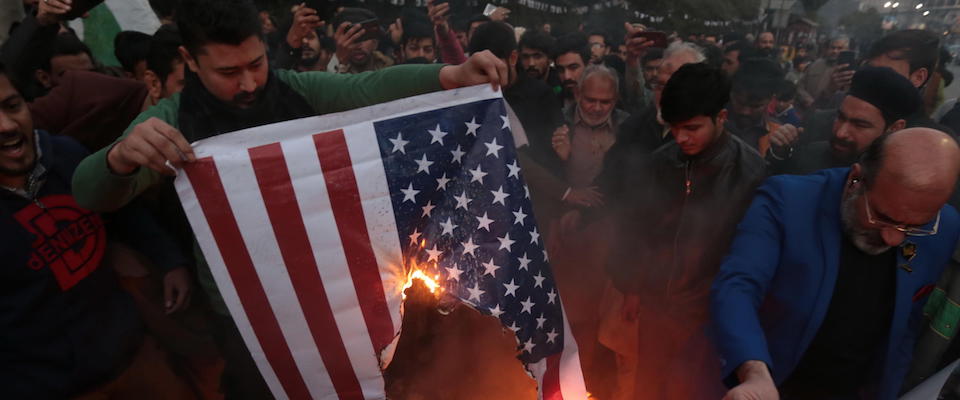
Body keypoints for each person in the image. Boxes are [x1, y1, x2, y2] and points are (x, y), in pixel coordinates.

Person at [70, 0, 507, 397]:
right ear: (189, 61)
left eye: (256, 63)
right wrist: (119, 157)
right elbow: (91, 195)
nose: (248, 83)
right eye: (227, 73)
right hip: (243, 312)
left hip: (331, 291)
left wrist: (450, 76)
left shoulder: (294, 90)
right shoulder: (172, 120)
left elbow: (367, 89)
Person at [713, 128, 960, 400]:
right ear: (856, 179)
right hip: (772, 381)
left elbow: (906, 327)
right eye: (882, 217)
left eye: (913, 227)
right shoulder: (789, 201)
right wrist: (754, 372)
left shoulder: (944, 229)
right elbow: (737, 287)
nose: (893, 238)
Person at [0, 60, 197, 398]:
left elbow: (125, 213)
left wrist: (169, 260)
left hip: (135, 358)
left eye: (11, 106)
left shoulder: (68, 154)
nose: (6, 125)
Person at [602, 62, 765, 399]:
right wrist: (632, 287)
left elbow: (746, 258)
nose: (681, 138)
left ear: (721, 117)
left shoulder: (749, 174)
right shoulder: (662, 162)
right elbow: (639, 229)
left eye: (692, 128)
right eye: (673, 128)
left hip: (709, 317)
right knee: (648, 386)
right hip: (657, 308)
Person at [598, 41, 706, 199]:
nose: (666, 95)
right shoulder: (634, 126)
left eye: (677, 87)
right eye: (660, 85)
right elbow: (608, 180)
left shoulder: (716, 139)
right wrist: (582, 212)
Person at [774, 67, 919, 175]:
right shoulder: (808, 158)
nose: (841, 133)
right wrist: (779, 155)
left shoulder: (902, 180)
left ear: (894, 128)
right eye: (840, 117)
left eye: (860, 125)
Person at [725, 58, 794, 158]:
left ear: (771, 100)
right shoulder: (711, 121)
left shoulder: (777, 134)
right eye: (740, 103)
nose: (745, 112)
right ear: (731, 93)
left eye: (755, 106)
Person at [330, 8, 394, 74]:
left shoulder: (389, 67)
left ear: (375, 42)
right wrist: (339, 62)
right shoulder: (326, 66)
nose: (358, 46)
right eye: (351, 39)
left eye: (363, 38)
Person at [796, 35, 849, 110]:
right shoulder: (815, 64)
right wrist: (807, 100)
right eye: (833, 48)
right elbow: (800, 85)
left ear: (847, 50)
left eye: (839, 48)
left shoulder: (847, 71)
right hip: (805, 110)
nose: (835, 51)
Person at [554, 32, 590, 109]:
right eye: (561, 70)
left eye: (573, 68)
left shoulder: (605, 99)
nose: (567, 76)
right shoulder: (551, 101)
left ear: (588, 66)